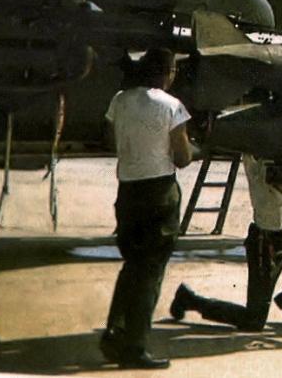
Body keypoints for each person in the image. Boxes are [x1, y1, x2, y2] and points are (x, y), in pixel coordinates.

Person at [169, 154, 282, 331]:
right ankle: (190, 300)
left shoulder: (279, 150)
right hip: (265, 244)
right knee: (254, 320)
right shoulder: (257, 154)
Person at [100, 48, 193, 370]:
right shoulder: (172, 107)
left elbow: (113, 142)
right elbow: (182, 158)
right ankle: (135, 346)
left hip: (127, 192)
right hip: (159, 194)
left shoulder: (120, 100)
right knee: (150, 272)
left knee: (132, 267)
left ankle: (115, 333)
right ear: (167, 72)